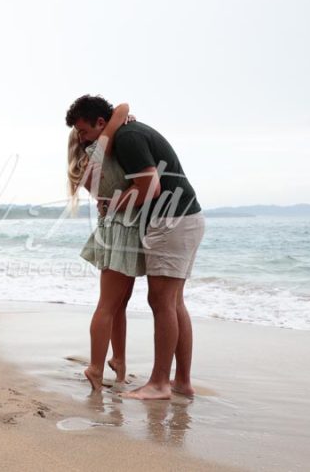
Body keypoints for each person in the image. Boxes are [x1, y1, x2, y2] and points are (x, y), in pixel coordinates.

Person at [67, 94, 205, 400]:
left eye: (85, 131)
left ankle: (159, 384)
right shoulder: (127, 131)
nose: (82, 138)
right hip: (186, 217)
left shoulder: (128, 137)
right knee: (173, 302)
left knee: (163, 302)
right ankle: (181, 382)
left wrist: (112, 204)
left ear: (101, 123)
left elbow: (150, 187)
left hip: (171, 219)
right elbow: (122, 110)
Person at [66, 101, 144, 391]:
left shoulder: (86, 164)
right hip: (124, 230)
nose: (85, 136)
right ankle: (96, 367)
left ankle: (118, 362)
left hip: (113, 229)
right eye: (82, 133)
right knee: (109, 305)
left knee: (118, 304)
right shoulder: (101, 151)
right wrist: (121, 121)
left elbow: (103, 196)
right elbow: (123, 106)